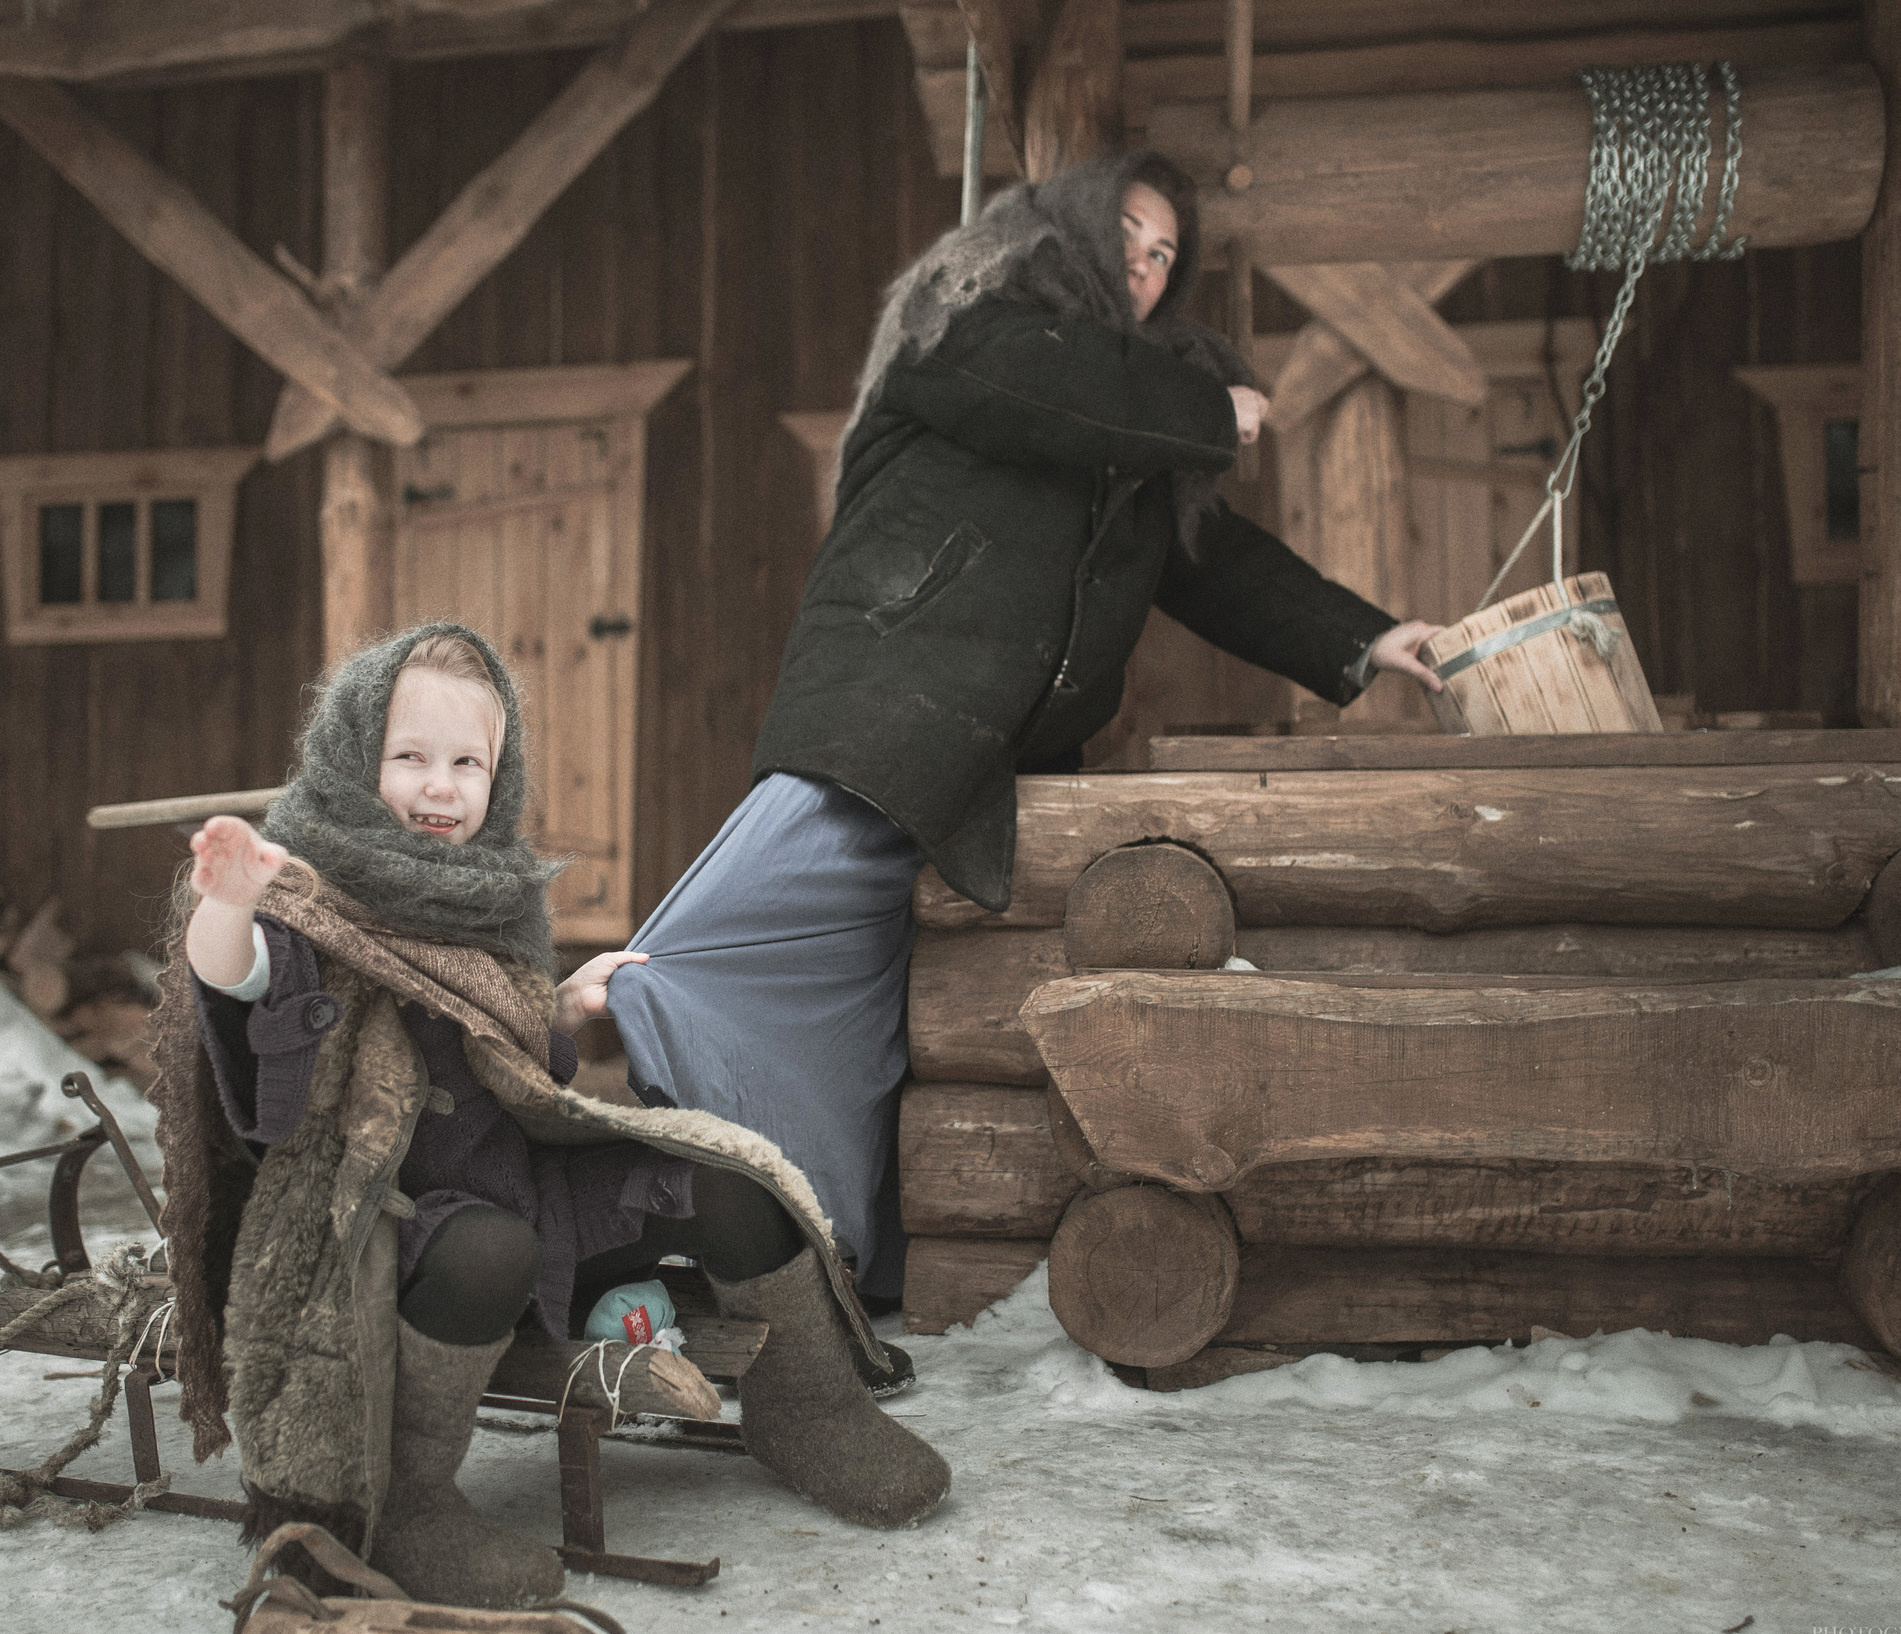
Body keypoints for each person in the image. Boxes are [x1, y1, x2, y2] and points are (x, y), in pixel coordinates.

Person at [608, 151, 1443, 1301]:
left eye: (1165, 256)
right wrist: (1205, 409)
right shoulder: (967, 325)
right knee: (692, 955)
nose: (1145, 269)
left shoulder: (1121, 430)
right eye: (1129, 239)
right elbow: (1059, 388)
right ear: (1073, 230)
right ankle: (600, 1172)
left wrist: (1367, 636)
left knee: (894, 1036)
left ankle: (833, 1264)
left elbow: (1213, 563)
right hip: (880, 722)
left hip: (998, 764)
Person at [140, 622, 948, 1613]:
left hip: (526, 1182)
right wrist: (224, 906)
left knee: (730, 1179)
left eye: (466, 763)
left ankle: (808, 1410)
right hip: (395, 1225)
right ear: (356, 759)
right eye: (409, 759)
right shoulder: (306, 897)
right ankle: (407, 1501)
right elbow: (247, 987)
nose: (441, 787)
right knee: (489, 1248)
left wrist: (560, 1006)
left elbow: (510, 1057)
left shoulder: (484, 899)